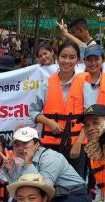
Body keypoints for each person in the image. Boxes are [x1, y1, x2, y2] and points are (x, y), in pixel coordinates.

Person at [3, 127, 89, 202]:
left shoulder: (50, 157)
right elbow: (19, 190)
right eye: (17, 145)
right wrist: (11, 170)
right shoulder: (26, 160)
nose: (21, 148)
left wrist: (29, 164)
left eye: (25, 143)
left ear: (37, 144)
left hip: (75, 196)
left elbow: (45, 188)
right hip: (57, 197)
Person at [29, 41, 87, 176]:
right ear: (57, 57)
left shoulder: (85, 85)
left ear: (77, 60)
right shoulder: (46, 84)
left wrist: (78, 143)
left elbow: (90, 119)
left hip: (76, 147)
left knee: (75, 188)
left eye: (72, 57)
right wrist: (49, 122)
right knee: (50, 185)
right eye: (63, 56)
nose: (67, 61)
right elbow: (33, 112)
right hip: (50, 147)